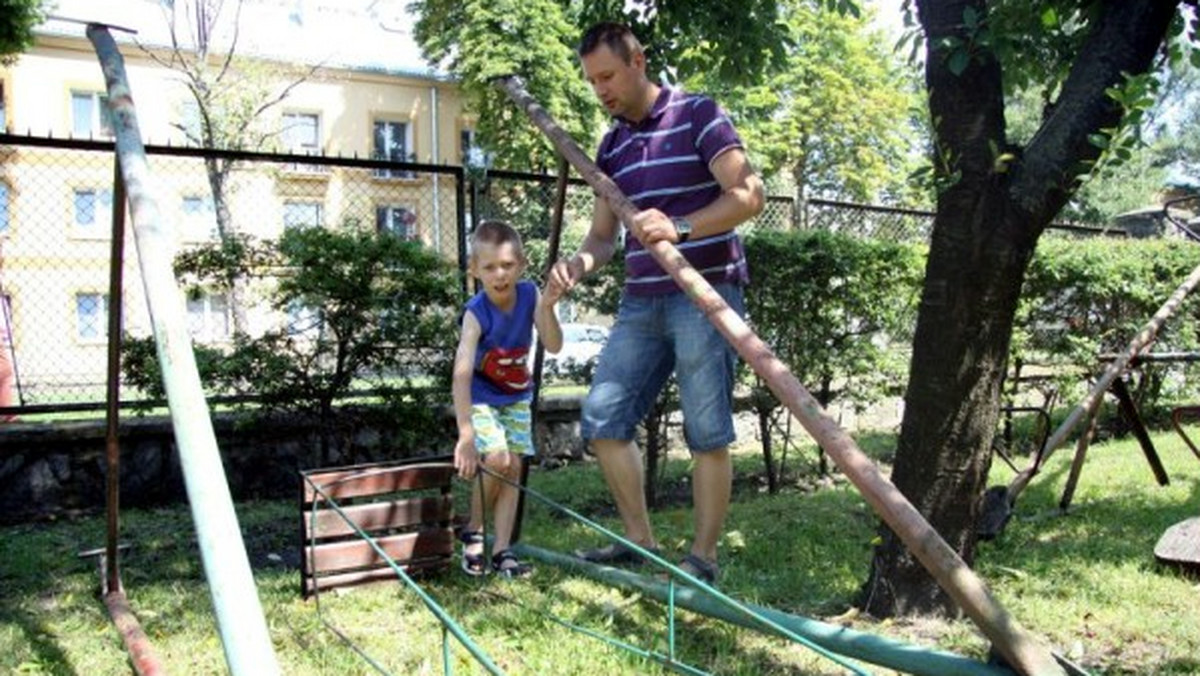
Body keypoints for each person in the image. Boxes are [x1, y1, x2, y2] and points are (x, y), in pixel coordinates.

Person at [546, 22, 764, 585]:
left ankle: (702, 558)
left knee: (706, 429)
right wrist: (578, 265)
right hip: (642, 301)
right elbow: (602, 238)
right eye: (592, 81)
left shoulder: (699, 114)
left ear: (638, 60)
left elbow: (748, 196)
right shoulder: (612, 144)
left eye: (608, 76)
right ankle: (639, 542)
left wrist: (681, 227)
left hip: (706, 293)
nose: (601, 90)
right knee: (603, 419)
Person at [453, 220, 564, 577]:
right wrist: (466, 435)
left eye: (507, 265)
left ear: (521, 265)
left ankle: (502, 550)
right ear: (474, 271)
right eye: (489, 267)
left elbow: (555, 345)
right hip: (482, 397)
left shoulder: (530, 294)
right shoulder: (475, 312)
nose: (499, 275)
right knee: (497, 459)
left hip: (516, 397)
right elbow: (461, 374)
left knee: (513, 467)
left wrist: (547, 307)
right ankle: (473, 529)